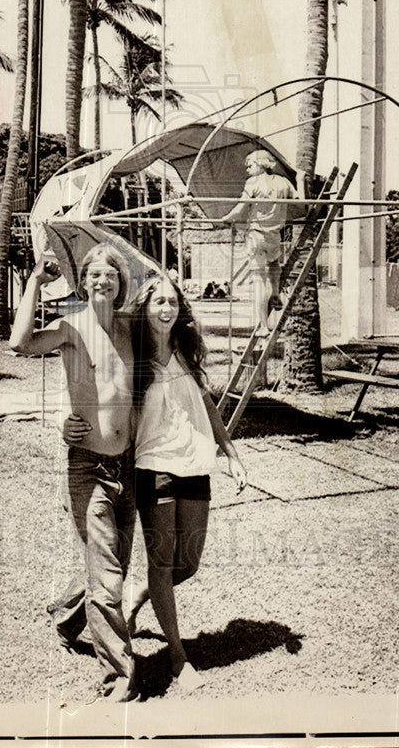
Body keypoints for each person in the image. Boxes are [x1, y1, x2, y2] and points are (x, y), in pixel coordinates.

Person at [9, 244, 138, 703]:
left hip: (129, 466)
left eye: (112, 275)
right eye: (95, 275)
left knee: (111, 566)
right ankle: (119, 676)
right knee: (107, 575)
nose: (103, 281)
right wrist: (34, 284)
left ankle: (65, 616)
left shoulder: (129, 328)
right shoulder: (71, 329)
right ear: (82, 283)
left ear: (122, 284)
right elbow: (20, 344)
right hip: (88, 468)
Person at [126, 275, 247, 690]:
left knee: (188, 563)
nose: (166, 308)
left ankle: (139, 595)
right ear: (143, 307)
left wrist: (230, 453)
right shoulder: (131, 354)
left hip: (195, 463)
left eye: (171, 301)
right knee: (162, 562)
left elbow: (207, 404)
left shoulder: (185, 350)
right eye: (157, 301)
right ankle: (178, 659)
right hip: (153, 466)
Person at [221, 149, 297, 336]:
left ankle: (263, 326)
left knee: (258, 281)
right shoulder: (283, 182)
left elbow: (240, 209)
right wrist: (301, 180)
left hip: (257, 235)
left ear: (261, 163)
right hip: (275, 235)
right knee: (274, 266)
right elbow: (300, 201)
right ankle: (275, 293)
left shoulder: (253, 182)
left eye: (250, 165)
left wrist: (225, 218)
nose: (247, 169)